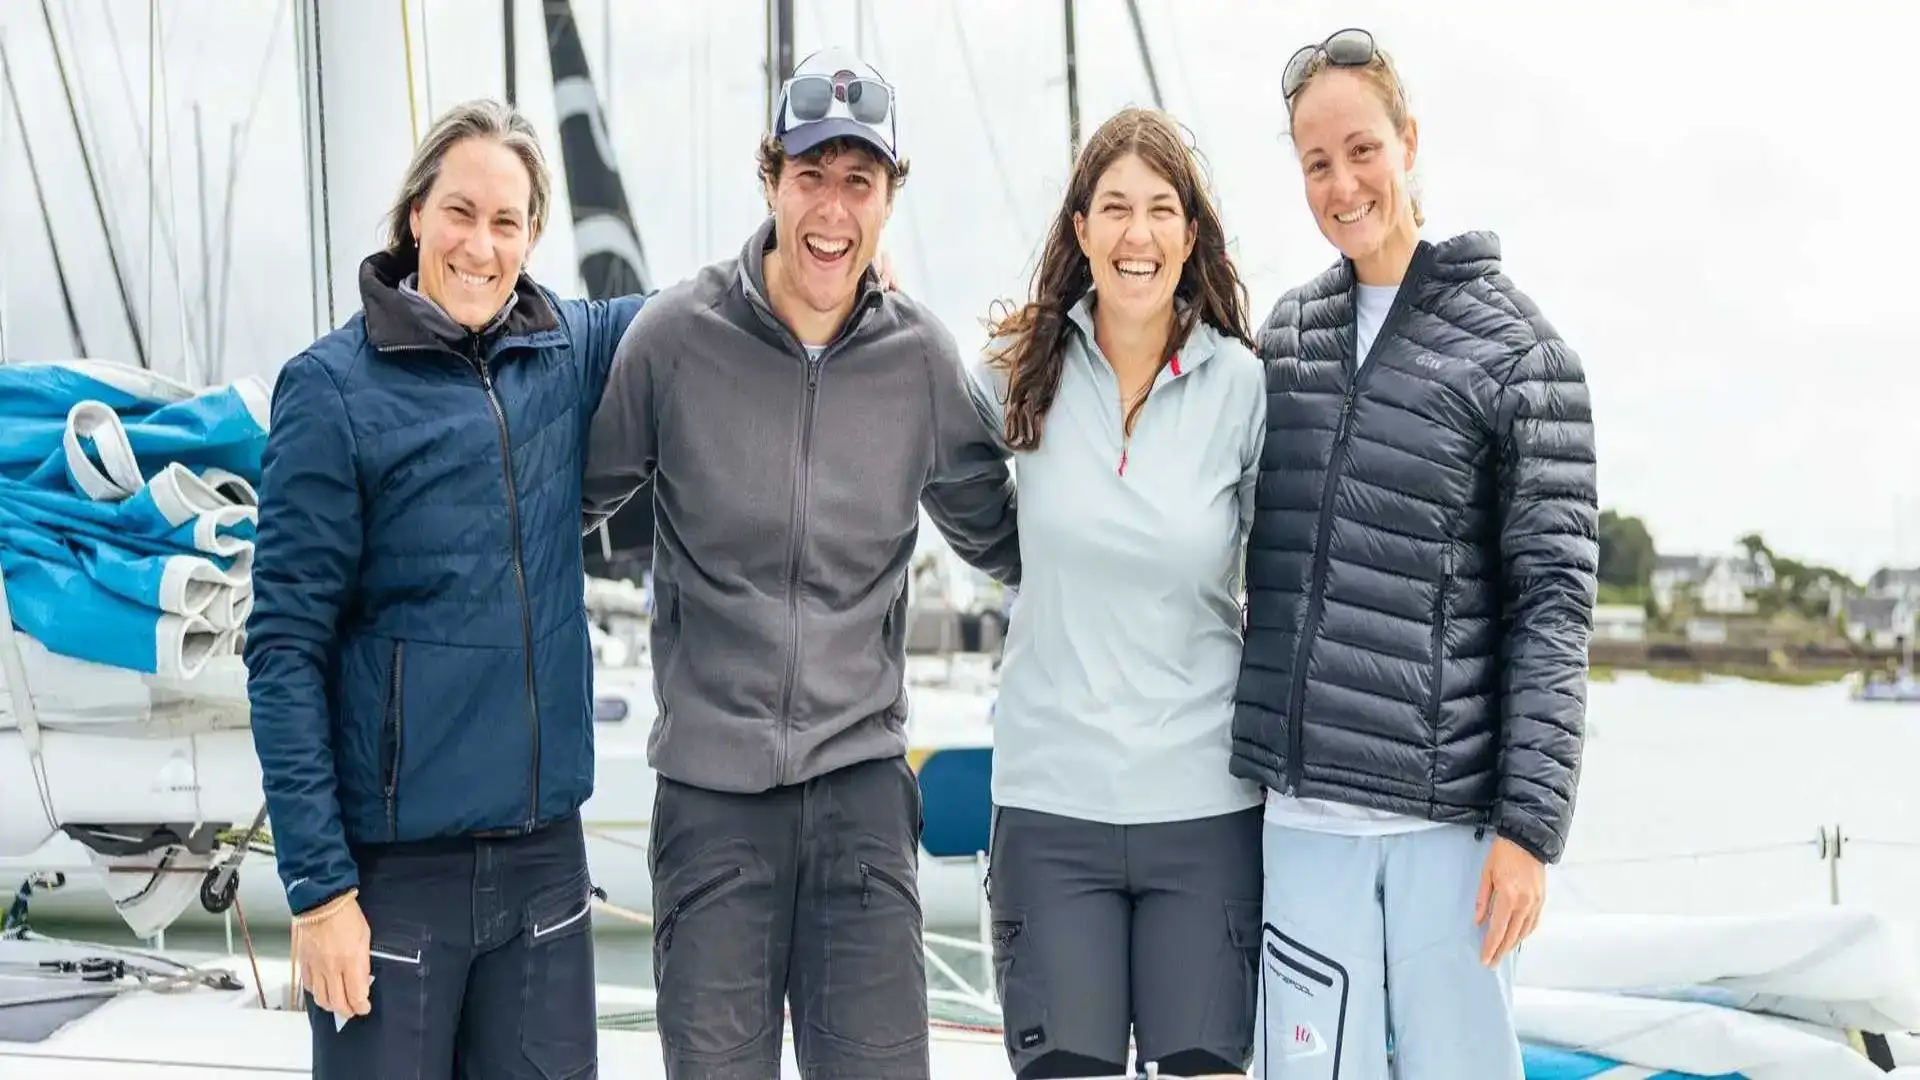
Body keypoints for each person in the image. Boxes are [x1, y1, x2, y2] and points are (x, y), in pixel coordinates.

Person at [580, 45, 1020, 1080]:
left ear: (889, 197)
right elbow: (563, 517)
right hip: (711, 798)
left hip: (861, 792)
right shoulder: (675, 340)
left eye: (858, 181)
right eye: (811, 174)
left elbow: (1009, 539)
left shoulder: (920, 362)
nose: (833, 208)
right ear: (771, 178)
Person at [245, 99, 646, 1078]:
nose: (480, 244)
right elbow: (283, 648)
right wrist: (316, 891)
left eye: (506, 222)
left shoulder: (569, 351)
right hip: (391, 885)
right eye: (459, 212)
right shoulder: (331, 389)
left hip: (545, 871)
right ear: (415, 213)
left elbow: (711, 315)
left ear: (532, 237)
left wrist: (829, 263)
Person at [1231, 28, 1599, 1079]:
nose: (1342, 184)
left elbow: (1554, 605)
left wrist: (1531, 830)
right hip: (1302, 826)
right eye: (1315, 162)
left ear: (1409, 143)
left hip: (1452, 833)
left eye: (1361, 150)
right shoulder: (1287, 339)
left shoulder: (1522, 353)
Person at [965, 107, 1266, 1079]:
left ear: (1190, 235)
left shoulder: (1246, 390)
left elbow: (1290, 583)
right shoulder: (1013, 373)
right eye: (1116, 209)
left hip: (1206, 808)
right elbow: (929, 473)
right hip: (1052, 809)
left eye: (1162, 210)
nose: (1138, 234)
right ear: (1082, 229)